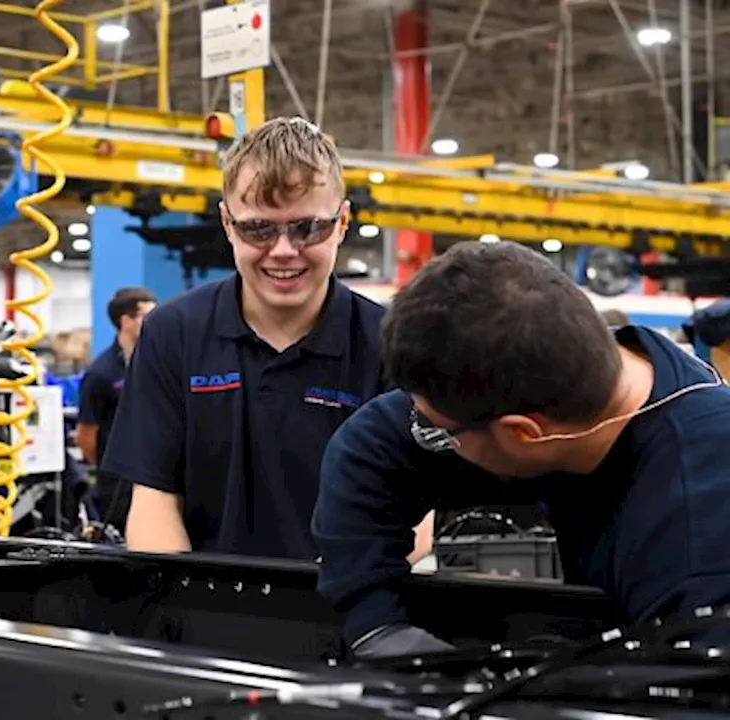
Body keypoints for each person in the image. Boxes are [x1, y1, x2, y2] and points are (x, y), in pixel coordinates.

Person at [313, 241, 730, 658]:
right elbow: (371, 450)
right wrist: (377, 626)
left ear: (524, 434)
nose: (419, 430)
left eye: (436, 432)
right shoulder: (558, 379)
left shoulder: (699, 550)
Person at [102, 117, 433, 561]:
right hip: (203, 612)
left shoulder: (392, 343)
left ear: (342, 222)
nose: (282, 250)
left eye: (307, 229)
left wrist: (325, 599)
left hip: (345, 610)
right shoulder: (172, 333)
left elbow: (413, 515)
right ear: (227, 222)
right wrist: (188, 603)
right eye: (258, 229)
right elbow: (154, 502)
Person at [75, 286, 156, 528]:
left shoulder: (159, 362)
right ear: (126, 321)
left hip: (157, 473)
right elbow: (86, 435)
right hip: (118, 485)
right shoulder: (101, 374)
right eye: (149, 316)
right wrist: (110, 466)